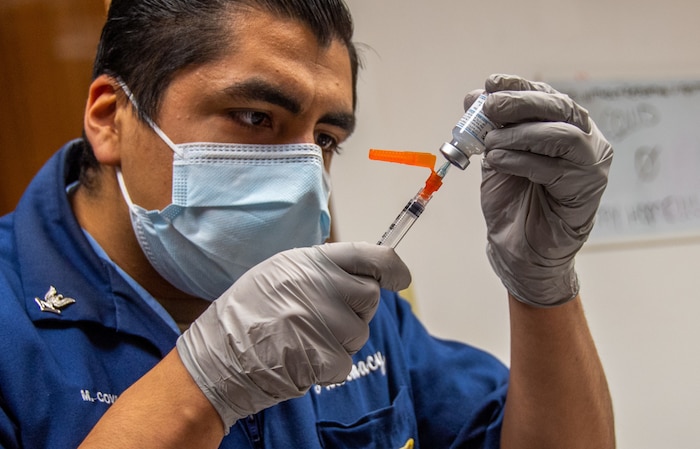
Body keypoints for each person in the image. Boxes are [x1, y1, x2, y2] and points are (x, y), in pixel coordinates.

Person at [0, 0, 615, 448]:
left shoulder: (350, 314)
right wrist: (199, 388)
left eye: (324, 138)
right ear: (110, 119)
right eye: (253, 115)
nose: (303, 173)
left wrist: (544, 286)